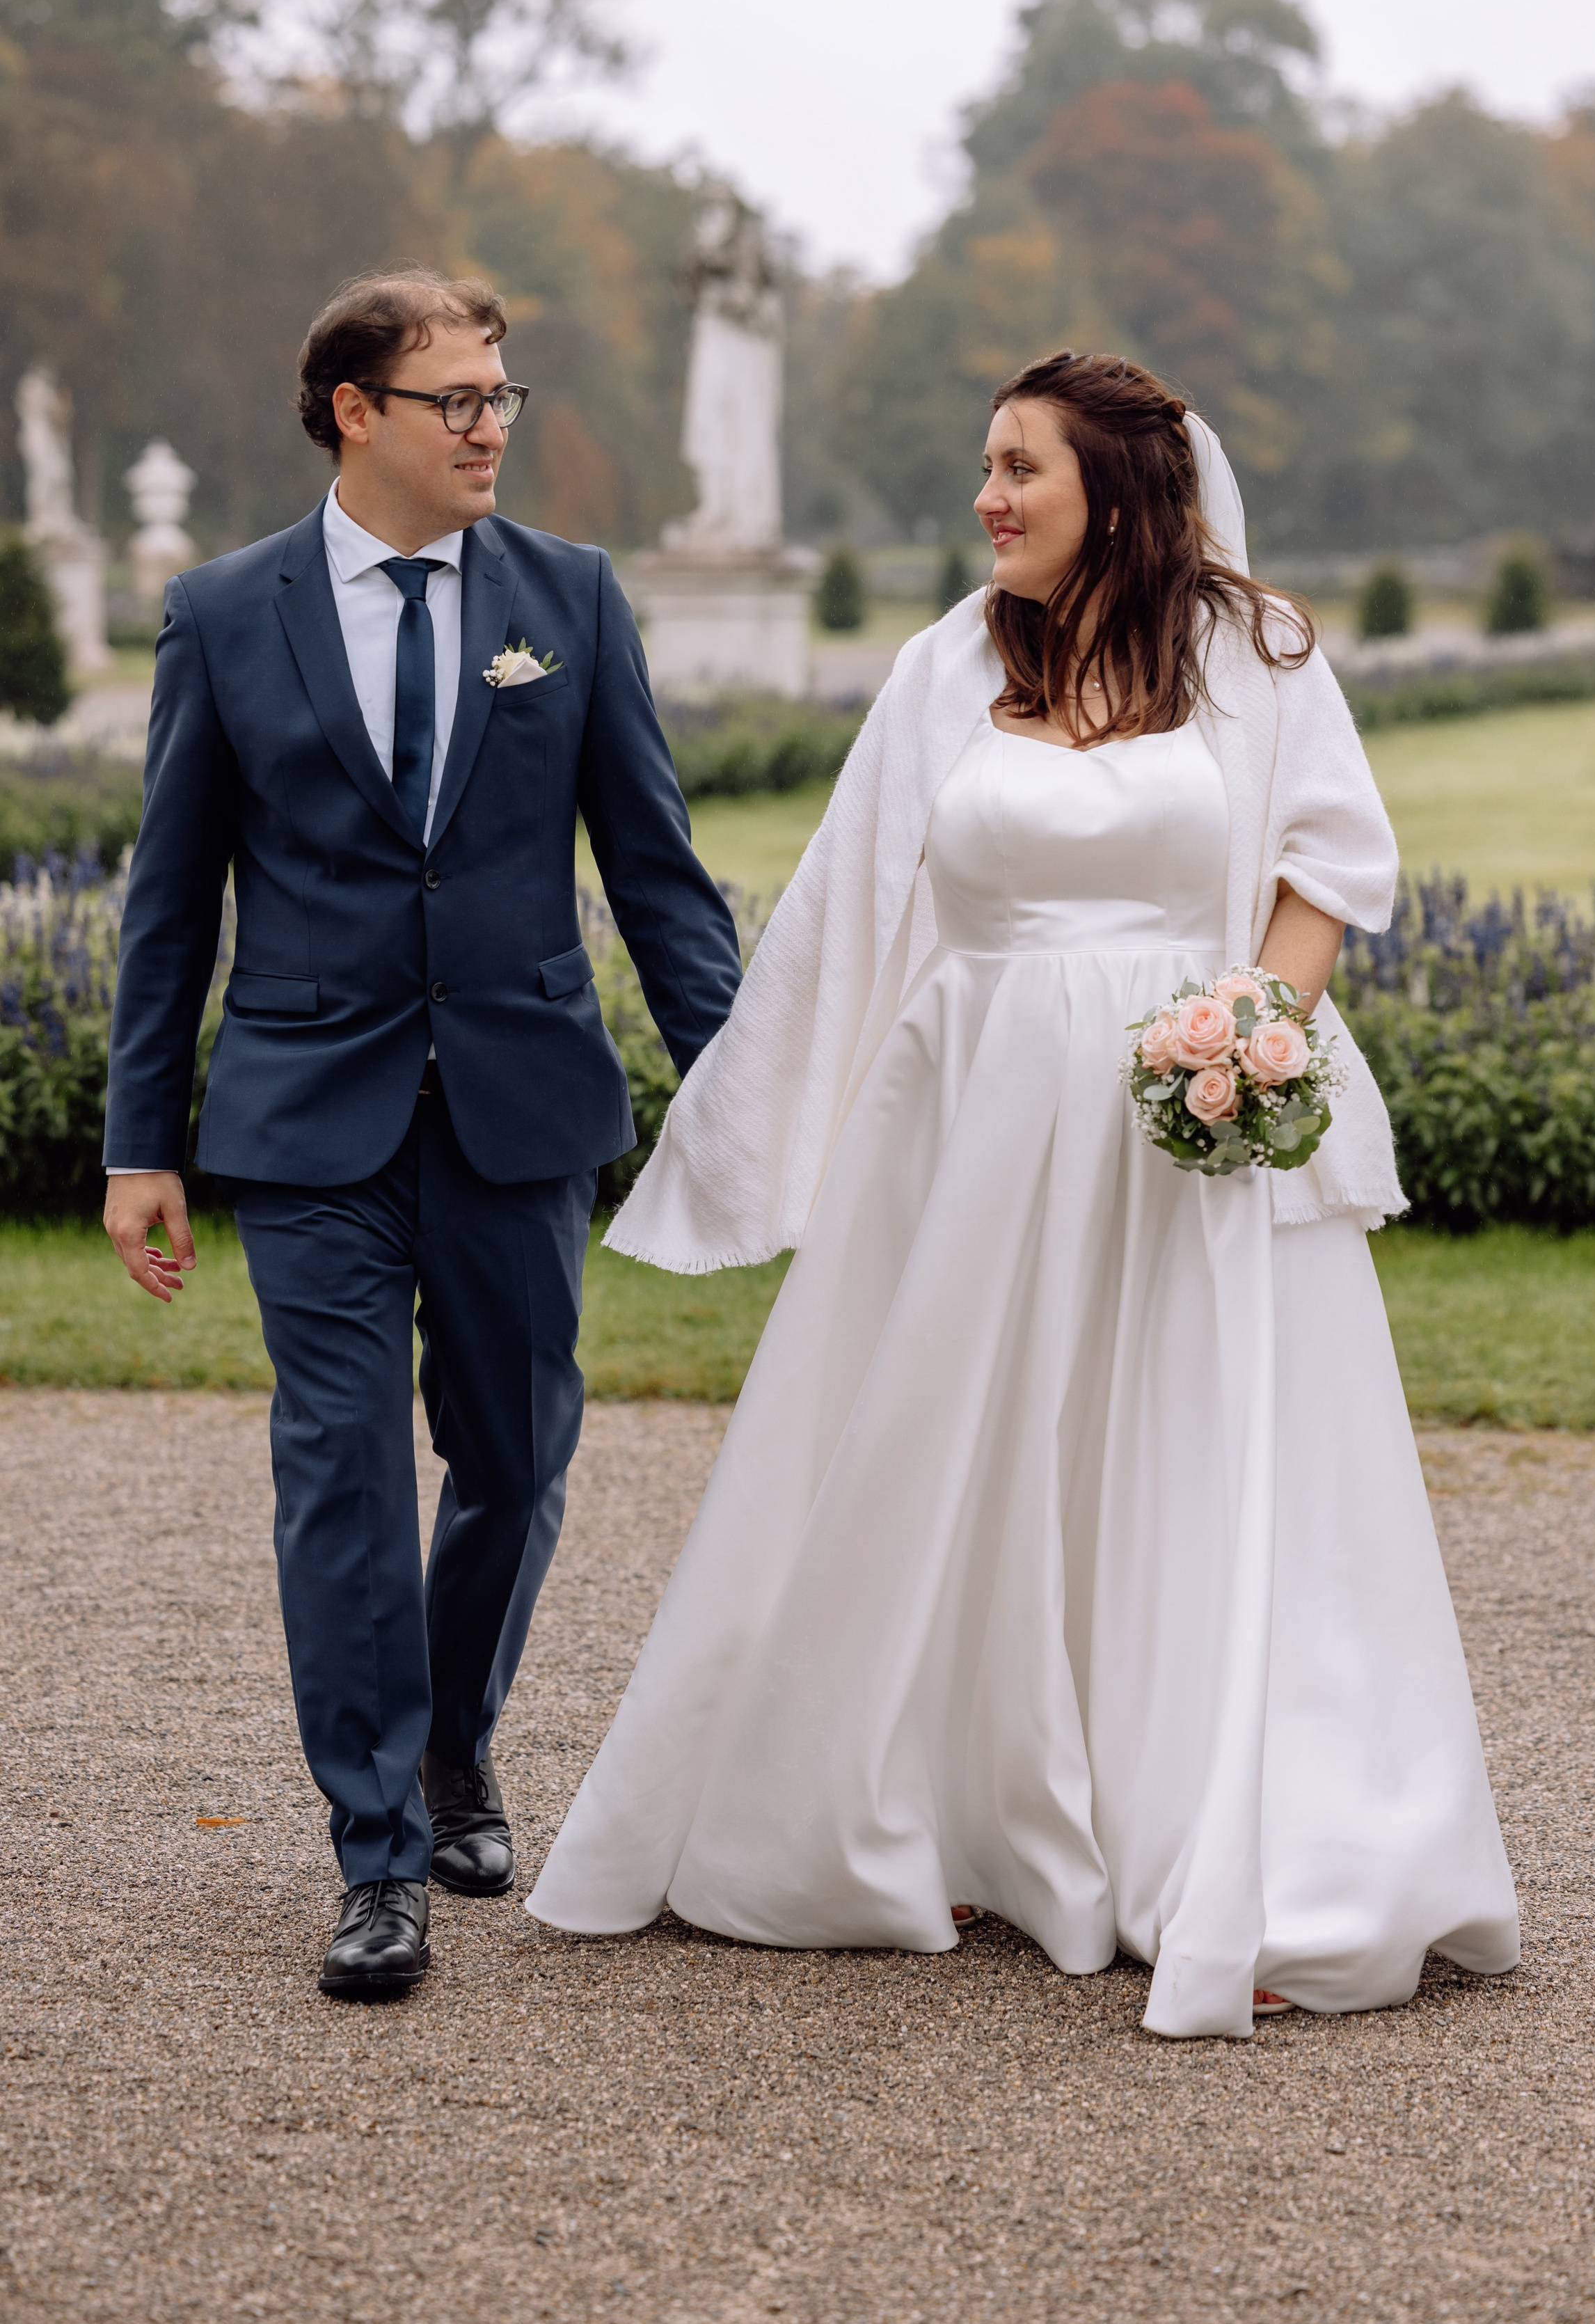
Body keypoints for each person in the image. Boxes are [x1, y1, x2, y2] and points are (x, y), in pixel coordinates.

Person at [527, 351, 1520, 2039]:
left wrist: (1257, 1034)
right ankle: (954, 1802)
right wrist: (752, 1121)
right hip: (971, 1107)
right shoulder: (944, 662)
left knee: (1182, 1456)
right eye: (983, 466)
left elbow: (1326, 863)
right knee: (954, 1446)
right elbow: (845, 902)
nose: (985, 497)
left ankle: (1237, 1838)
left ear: (1114, 493)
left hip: (1177, 1106)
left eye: (1018, 469)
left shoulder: (1253, 650)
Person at [102, 267, 740, 2001]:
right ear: (352, 411)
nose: (488, 425)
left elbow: (658, 872)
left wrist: (738, 1086)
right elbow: (169, 899)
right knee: (344, 1472)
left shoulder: (571, 599)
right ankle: (375, 1849)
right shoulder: (223, 613)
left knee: (517, 1455)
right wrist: (134, 1138)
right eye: (456, 396)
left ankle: (458, 1740)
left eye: (501, 395)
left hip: (520, 1104)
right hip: (308, 1112)